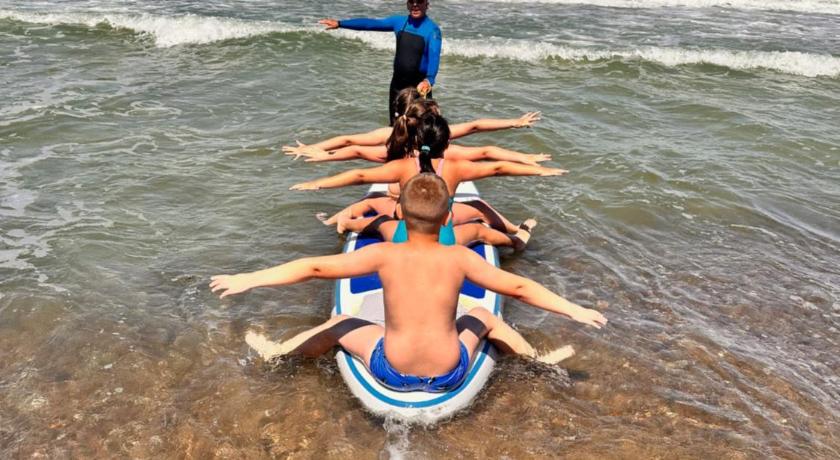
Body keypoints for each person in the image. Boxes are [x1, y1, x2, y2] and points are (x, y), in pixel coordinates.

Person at [210, 174, 607, 392]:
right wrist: (574, 309)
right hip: (451, 371)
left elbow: (313, 268)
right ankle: (536, 362)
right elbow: (520, 288)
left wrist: (249, 279)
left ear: (400, 212)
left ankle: (281, 355)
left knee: (339, 324)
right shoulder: (460, 258)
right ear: (447, 216)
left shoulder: (385, 255)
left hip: (391, 370)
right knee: (485, 317)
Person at [290, 113, 566, 196]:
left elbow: (356, 161)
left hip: (401, 214)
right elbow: (493, 161)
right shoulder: (453, 162)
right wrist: (532, 165)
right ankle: (515, 236)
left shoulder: (394, 156)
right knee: (480, 227)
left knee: (357, 211)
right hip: (438, 228)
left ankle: (342, 221)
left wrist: (319, 172)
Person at [320, 1, 442, 125]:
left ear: (426, 4)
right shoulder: (399, 22)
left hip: (419, 87)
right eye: (411, 1)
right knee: (395, 126)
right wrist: (340, 23)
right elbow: (370, 24)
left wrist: (429, 80)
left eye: (419, 1)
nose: (415, 5)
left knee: (421, 129)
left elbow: (434, 56)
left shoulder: (432, 30)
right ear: (407, 4)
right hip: (397, 86)